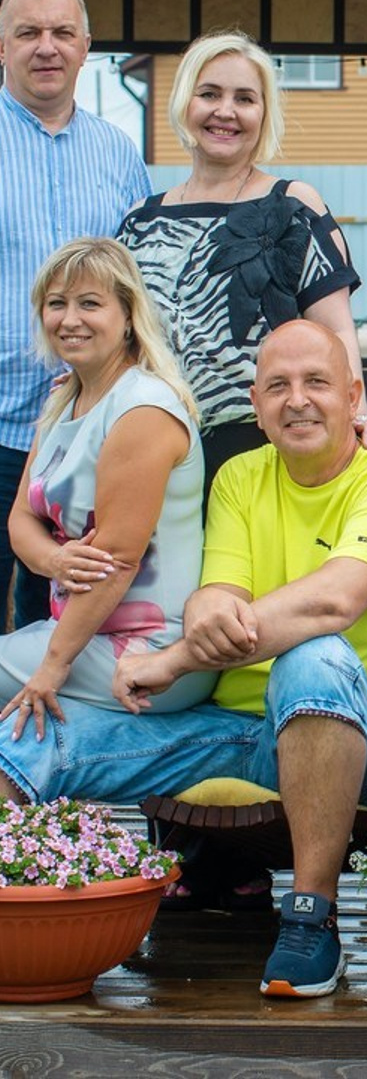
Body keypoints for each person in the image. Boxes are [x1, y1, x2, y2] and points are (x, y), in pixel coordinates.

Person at [0, 321, 367, 1000]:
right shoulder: (241, 476)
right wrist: (208, 614)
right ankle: (21, 895)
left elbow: (330, 604)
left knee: (313, 656)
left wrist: (177, 658)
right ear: (256, 404)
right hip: (232, 733)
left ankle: (310, 918)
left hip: (357, 741)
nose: (297, 400)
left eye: (317, 383)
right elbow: (217, 594)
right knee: (27, 731)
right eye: (278, 387)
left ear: (354, 395)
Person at [116, 29, 367, 494]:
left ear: (264, 112)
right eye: (209, 94)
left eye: (245, 98)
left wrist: (357, 418)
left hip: (263, 450)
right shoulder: (140, 220)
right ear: (184, 103)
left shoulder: (292, 206)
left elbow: (336, 331)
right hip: (153, 448)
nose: (226, 111)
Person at [0, 238, 208, 734]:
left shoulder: (142, 409)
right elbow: (19, 520)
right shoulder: (63, 398)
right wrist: (53, 561)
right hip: (76, 635)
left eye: (89, 303)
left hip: (147, 654)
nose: (70, 319)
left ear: (129, 314)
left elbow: (116, 561)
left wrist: (50, 668)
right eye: (57, 304)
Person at [0, 0, 151, 631]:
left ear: (86, 46)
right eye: (28, 32)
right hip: (0, 423)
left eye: (62, 32)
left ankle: (39, 736)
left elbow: (139, 287)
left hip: (86, 432)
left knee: (62, 612)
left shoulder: (118, 154)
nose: (46, 47)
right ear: (1, 45)